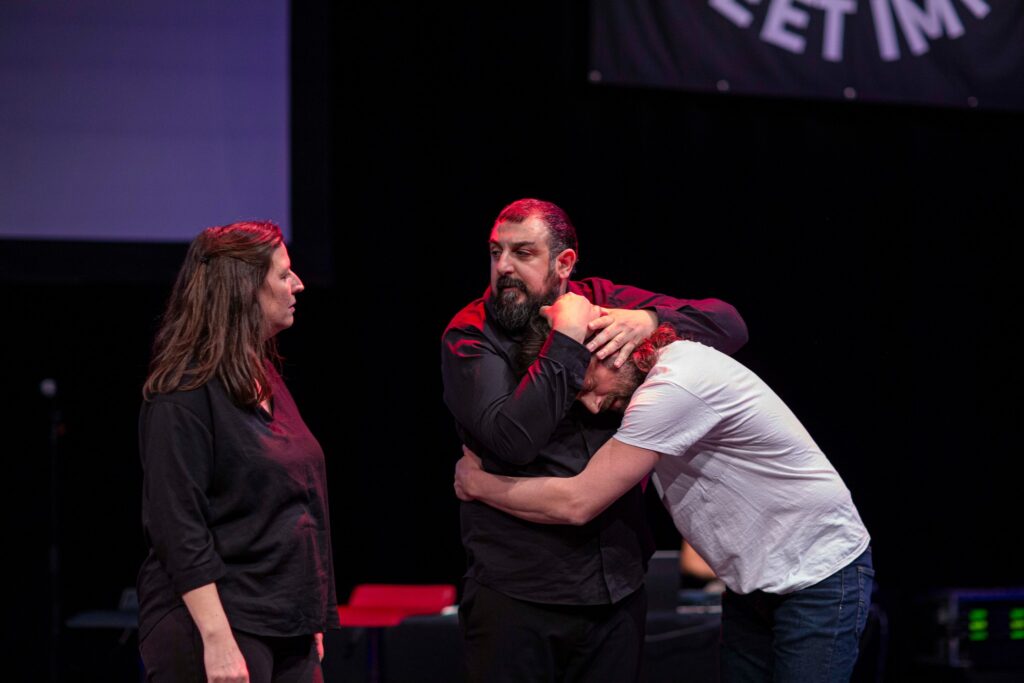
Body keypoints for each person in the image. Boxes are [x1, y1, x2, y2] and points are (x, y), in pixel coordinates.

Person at [454, 292, 874, 683]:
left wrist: (479, 484)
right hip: (754, 586)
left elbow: (578, 502)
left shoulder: (675, 385)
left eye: (587, 388)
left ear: (608, 348)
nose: (594, 407)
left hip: (819, 574)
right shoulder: (660, 378)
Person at [441, 198, 748, 682]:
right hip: (518, 595)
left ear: (564, 263)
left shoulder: (604, 299)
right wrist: (566, 337)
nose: (503, 267)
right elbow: (514, 441)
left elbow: (729, 324)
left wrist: (649, 320)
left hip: (617, 590)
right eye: (496, 252)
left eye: (523, 253)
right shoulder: (470, 334)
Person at [137, 221, 339, 683]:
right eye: (283, 274)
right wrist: (216, 638)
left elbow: (295, 500)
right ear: (244, 288)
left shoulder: (263, 375)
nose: (298, 284)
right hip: (220, 623)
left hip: (284, 622)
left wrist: (307, 611)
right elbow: (176, 525)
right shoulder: (184, 391)